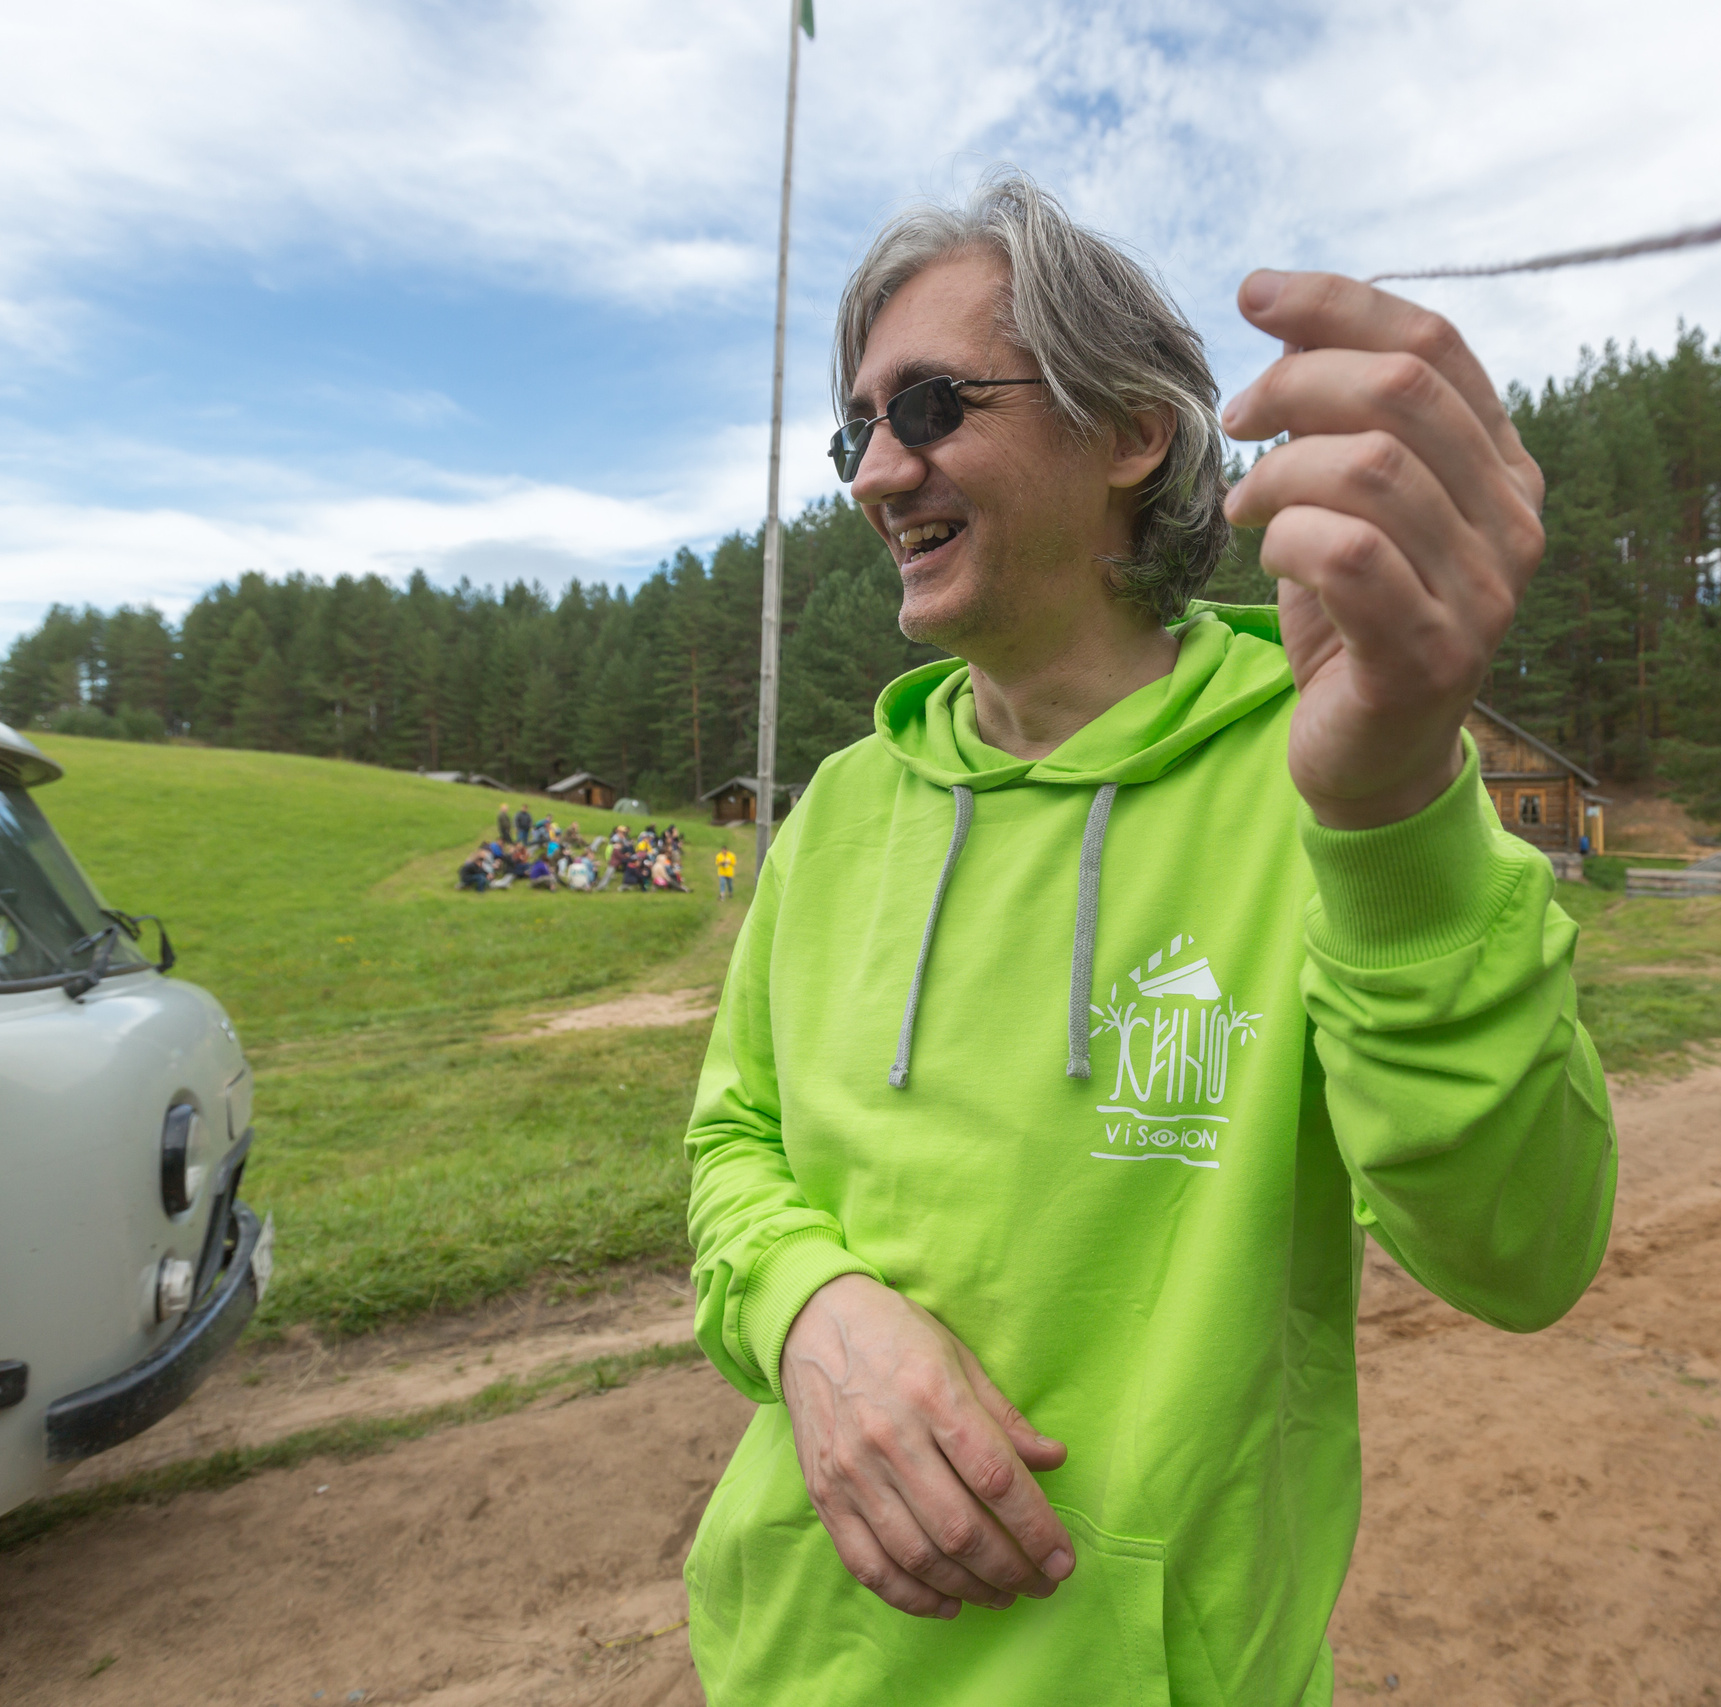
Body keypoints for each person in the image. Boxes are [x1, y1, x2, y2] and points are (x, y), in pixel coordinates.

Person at [679, 174, 1616, 1706]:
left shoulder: (1326, 776)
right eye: (858, 432)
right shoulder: (840, 808)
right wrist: (808, 1312)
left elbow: (1524, 1250)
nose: (877, 473)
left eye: (929, 406)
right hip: (790, 1667)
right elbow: (735, 1147)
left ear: (1130, 433)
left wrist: (1387, 810)